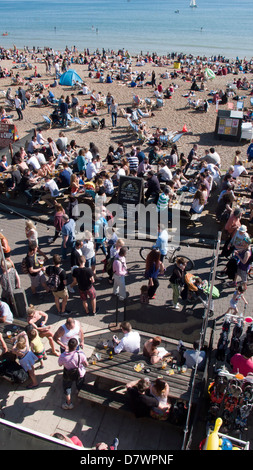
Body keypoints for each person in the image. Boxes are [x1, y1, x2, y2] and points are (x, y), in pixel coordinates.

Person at [58, 337, 89, 410]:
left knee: (67, 387)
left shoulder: (63, 356)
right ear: (76, 346)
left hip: (68, 374)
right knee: (79, 384)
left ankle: (68, 403)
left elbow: (60, 364)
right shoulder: (80, 354)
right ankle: (78, 396)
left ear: (68, 345)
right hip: (79, 373)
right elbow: (86, 364)